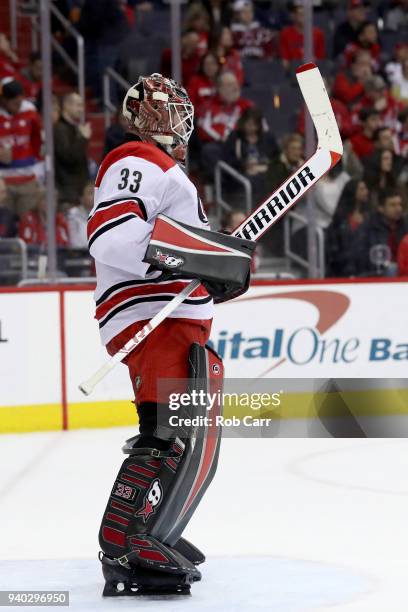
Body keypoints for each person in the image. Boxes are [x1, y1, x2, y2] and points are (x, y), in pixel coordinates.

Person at [89, 73, 255, 596]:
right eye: (174, 112)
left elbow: (177, 254)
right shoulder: (136, 158)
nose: (184, 123)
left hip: (167, 316)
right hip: (151, 315)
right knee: (167, 434)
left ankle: (150, 530)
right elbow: (112, 239)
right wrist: (197, 257)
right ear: (151, 118)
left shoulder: (163, 171)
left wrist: (215, 271)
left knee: (171, 433)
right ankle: (122, 541)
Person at [0, 77, 42, 216]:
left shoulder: (29, 110)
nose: (19, 106)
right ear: (4, 100)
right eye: (15, 103)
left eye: (21, 101)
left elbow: (38, 139)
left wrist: (37, 162)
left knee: (27, 223)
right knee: (4, 228)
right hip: (2, 183)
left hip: (27, 179)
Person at [197, 71, 252, 177]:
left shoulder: (247, 106)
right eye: (230, 85)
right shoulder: (208, 107)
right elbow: (203, 129)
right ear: (219, 88)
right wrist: (223, 137)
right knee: (209, 150)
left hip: (244, 144)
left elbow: (262, 126)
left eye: (236, 84)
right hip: (221, 147)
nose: (235, 87)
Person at [222, 106, 278, 202]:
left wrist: (268, 166)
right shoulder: (234, 137)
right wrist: (243, 165)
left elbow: (277, 157)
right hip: (241, 174)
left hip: (265, 171)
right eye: (248, 124)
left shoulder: (268, 138)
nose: (250, 127)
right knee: (256, 181)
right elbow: (227, 159)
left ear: (259, 125)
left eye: (254, 125)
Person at [352, 188, 407, 275]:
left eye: (399, 204)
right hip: (376, 275)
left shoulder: (405, 226)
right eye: (393, 205)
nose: (398, 209)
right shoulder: (368, 228)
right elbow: (360, 258)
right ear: (381, 208)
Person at [326, 178, 371, 276]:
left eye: (366, 189)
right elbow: (334, 245)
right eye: (362, 189)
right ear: (352, 191)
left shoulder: (369, 216)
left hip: (365, 267)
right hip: (342, 267)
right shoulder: (340, 218)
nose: (366, 192)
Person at [54, 92, 91, 206]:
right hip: (67, 192)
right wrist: (83, 138)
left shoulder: (73, 128)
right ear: (66, 106)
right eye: (78, 105)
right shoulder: (59, 129)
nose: (82, 109)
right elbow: (68, 157)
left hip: (75, 190)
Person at [279, 1, 326, 70]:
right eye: (301, 14)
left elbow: (321, 60)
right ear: (293, 16)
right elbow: (285, 61)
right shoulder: (285, 34)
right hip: (293, 72)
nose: (304, 17)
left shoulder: (318, 34)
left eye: (306, 14)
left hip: (313, 71)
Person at [67, 181, 94, 248]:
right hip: (80, 254)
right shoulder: (73, 214)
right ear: (81, 198)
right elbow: (73, 240)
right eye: (90, 193)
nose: (94, 196)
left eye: (95, 193)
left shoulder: (100, 214)